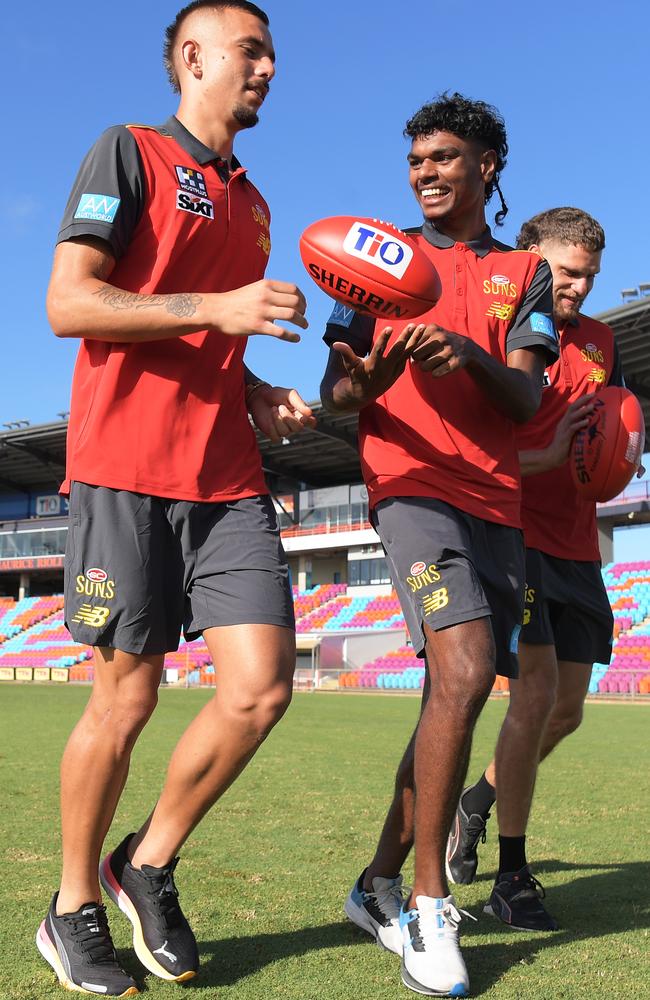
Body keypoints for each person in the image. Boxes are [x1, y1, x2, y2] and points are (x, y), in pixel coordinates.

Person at [35, 3, 314, 996]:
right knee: (129, 696)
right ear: (191, 59)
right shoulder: (129, 154)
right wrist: (215, 306)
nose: (269, 67)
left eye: (272, 53)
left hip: (228, 475)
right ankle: (71, 909)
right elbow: (71, 301)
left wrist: (257, 391)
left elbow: (215, 342)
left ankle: (143, 861)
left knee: (260, 688)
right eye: (251, 49)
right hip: (124, 468)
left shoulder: (257, 206)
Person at [320, 93, 559, 997]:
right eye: (416, 158)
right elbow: (337, 393)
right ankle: (426, 910)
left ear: (487, 165)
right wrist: (365, 380)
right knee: (462, 676)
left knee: (447, 699)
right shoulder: (372, 258)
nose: (424, 171)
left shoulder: (524, 273)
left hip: (496, 502)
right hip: (410, 485)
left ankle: (372, 882)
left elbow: (529, 399)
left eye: (445, 157)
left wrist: (472, 356)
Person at [445, 206, 637, 930]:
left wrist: (615, 457)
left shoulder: (602, 340)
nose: (580, 287)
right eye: (566, 271)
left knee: (566, 711)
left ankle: (479, 799)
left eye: (590, 274)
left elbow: (609, 428)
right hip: (513, 536)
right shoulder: (498, 330)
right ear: (528, 259)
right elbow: (467, 454)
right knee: (533, 699)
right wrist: (547, 457)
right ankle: (512, 875)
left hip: (579, 546)